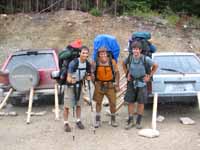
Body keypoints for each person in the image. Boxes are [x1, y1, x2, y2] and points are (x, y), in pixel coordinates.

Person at [122, 41, 158, 130]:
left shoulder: (145, 59)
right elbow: (123, 63)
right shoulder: (130, 58)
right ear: (132, 50)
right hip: (132, 82)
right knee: (130, 102)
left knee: (141, 103)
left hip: (142, 83)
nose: (135, 51)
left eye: (137, 49)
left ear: (140, 50)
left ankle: (138, 122)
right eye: (134, 49)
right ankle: (130, 121)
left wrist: (149, 76)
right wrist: (127, 74)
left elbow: (155, 65)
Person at [63, 46, 91, 132]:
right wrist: (72, 80)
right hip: (70, 86)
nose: (85, 55)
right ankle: (66, 123)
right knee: (67, 106)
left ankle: (78, 121)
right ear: (79, 53)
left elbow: (87, 74)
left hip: (80, 85)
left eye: (86, 53)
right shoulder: (73, 63)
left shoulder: (87, 64)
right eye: (83, 53)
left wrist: (88, 77)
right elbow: (68, 78)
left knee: (79, 104)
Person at [92, 47, 120, 128]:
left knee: (113, 103)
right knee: (98, 103)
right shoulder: (95, 63)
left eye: (104, 53)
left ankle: (113, 120)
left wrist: (117, 84)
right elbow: (92, 74)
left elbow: (117, 73)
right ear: (98, 55)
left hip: (110, 85)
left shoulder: (112, 62)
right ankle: (97, 120)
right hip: (99, 85)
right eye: (101, 53)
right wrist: (95, 84)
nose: (103, 55)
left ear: (107, 53)